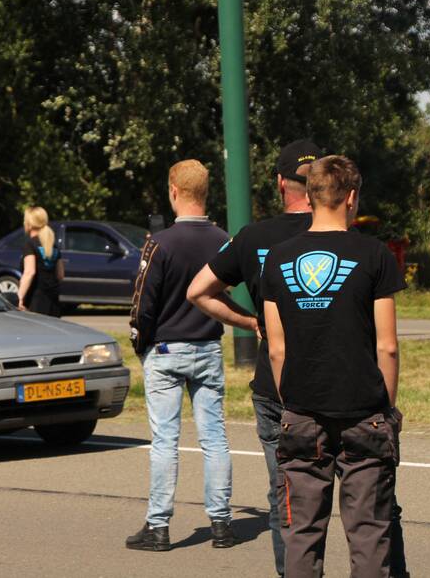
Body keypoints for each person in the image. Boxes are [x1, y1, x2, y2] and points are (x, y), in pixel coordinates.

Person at [261, 156, 405, 578]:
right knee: (369, 533)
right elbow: (388, 346)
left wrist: (293, 401)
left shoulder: (279, 258)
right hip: (364, 411)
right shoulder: (375, 254)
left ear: (308, 197)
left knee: (301, 533)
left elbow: (276, 349)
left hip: (302, 410)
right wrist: (388, 410)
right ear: (352, 197)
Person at [187, 139, 320, 577]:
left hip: (276, 387)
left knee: (286, 493)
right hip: (342, 383)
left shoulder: (255, 238)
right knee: (362, 500)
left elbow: (198, 291)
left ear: (280, 183)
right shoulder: (350, 238)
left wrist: (250, 322)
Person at [125, 159, 235, 552]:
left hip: (167, 349)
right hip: (207, 345)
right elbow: (226, 293)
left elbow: (143, 303)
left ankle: (158, 527)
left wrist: (141, 345)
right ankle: (221, 522)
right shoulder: (223, 239)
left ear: (174, 190)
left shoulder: (161, 242)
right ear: (206, 193)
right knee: (215, 438)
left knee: (165, 441)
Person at [16, 207, 64, 316]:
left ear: (29, 224)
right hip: (53, 300)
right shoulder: (53, 246)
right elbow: (60, 275)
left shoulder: (30, 244)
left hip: (35, 300)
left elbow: (29, 272)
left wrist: (19, 297)